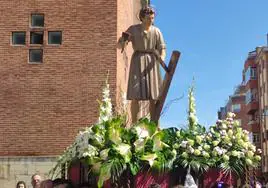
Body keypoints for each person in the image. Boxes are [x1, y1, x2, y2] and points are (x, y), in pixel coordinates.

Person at [117, 6, 166, 123]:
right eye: (149, 18)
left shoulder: (157, 31)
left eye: (152, 18)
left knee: (153, 96)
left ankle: (154, 124)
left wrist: (161, 58)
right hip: (137, 62)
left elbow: (162, 48)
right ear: (142, 18)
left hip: (152, 63)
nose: (151, 21)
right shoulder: (133, 29)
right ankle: (134, 124)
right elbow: (121, 43)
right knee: (135, 95)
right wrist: (123, 41)